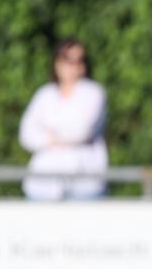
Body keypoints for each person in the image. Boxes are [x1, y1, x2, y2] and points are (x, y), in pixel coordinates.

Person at [19, 38, 108, 201]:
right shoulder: (45, 94)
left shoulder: (93, 93)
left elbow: (81, 130)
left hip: (84, 184)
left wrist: (49, 133)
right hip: (43, 185)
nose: (73, 66)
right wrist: (60, 136)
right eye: (67, 59)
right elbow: (26, 134)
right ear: (56, 62)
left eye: (78, 60)